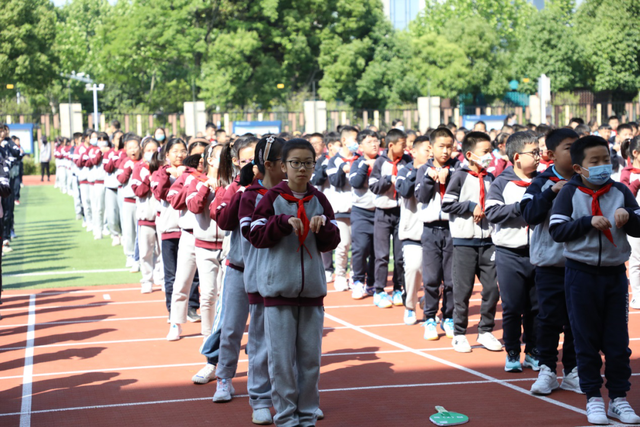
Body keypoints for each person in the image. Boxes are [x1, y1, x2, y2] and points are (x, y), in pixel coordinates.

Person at [549, 135, 640, 425]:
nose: (603, 166)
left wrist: (630, 217)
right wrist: (586, 222)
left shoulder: (621, 190)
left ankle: (618, 399)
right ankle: (592, 398)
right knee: (584, 339)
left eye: (606, 159)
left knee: (617, 342)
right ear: (579, 168)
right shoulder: (569, 193)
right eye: (595, 162)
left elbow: (639, 227)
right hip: (581, 275)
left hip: (614, 276)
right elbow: (557, 230)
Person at [249, 138, 340, 427]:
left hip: (312, 292)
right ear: (283, 166)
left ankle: (308, 415)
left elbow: (332, 239)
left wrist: (323, 227)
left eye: (308, 163)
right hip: (279, 292)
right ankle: (287, 418)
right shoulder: (272, 198)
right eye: (295, 163)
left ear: (315, 165)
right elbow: (255, 234)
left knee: (310, 361)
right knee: (281, 362)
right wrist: (281, 223)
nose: (302, 169)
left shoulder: (319, 199)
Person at [521, 128, 581, 396]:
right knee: (548, 319)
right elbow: (529, 215)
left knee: (577, 320)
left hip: (582, 263)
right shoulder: (541, 182)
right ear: (550, 154)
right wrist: (550, 193)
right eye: (569, 147)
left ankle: (572, 371)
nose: (575, 151)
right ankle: (546, 369)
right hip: (550, 265)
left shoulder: (587, 180)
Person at [442, 131, 501, 353]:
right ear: (470, 154)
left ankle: (485, 331)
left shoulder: (491, 177)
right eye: (485, 152)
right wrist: (469, 206)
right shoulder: (459, 176)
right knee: (463, 291)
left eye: (491, 151)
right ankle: (459, 333)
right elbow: (447, 205)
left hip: (488, 242)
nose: (490, 155)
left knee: (492, 290)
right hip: (464, 242)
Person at [485, 131, 540, 372]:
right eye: (533, 153)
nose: (539, 157)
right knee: (512, 306)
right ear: (517, 157)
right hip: (509, 254)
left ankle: (533, 351)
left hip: (538, 253)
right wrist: (521, 207)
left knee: (536, 307)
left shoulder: (542, 180)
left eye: (539, 152)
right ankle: (512, 352)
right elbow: (493, 212)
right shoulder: (501, 182)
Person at [415, 128, 459, 339]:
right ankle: (429, 318)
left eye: (449, 146)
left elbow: (460, 193)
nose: (445, 151)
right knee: (431, 278)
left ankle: (448, 317)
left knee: (451, 280)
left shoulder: (458, 168)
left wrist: (448, 176)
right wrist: (429, 179)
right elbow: (421, 197)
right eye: (441, 146)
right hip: (431, 230)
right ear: (430, 148)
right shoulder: (423, 169)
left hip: (452, 229)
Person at [165, 139, 209, 340]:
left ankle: (211, 326)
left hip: (210, 236)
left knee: (211, 287)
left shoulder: (217, 176)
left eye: (204, 155)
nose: (200, 161)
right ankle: (175, 322)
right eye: (196, 156)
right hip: (189, 235)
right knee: (182, 280)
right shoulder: (185, 177)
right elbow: (173, 200)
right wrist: (190, 181)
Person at [185, 143, 225, 337]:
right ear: (209, 160)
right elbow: (193, 206)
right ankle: (208, 336)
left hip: (228, 246)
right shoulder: (196, 181)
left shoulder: (232, 182)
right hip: (204, 246)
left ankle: (223, 334)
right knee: (208, 294)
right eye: (221, 156)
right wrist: (205, 187)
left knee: (227, 296)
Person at [369, 128, 411, 308]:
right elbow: (373, 186)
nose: (406, 147)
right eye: (403, 144)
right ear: (392, 145)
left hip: (402, 213)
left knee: (400, 255)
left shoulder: (407, 161)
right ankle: (379, 290)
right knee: (382, 255)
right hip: (383, 213)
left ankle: (397, 288)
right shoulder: (380, 162)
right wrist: (388, 180)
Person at [395, 135, 430, 325]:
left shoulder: (442, 169)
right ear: (414, 152)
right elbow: (404, 190)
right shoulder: (405, 170)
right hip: (412, 232)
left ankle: (429, 303)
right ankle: (410, 305)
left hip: (436, 231)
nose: (431, 153)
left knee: (437, 276)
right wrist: (419, 171)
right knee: (413, 268)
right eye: (427, 149)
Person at [326, 126, 359, 291]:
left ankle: (355, 275)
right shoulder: (333, 160)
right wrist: (341, 169)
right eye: (354, 139)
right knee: (343, 244)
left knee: (359, 246)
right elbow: (335, 182)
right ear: (344, 140)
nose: (356, 143)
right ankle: (340, 275)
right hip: (341, 209)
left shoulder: (359, 158)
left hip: (359, 210)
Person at [349, 129, 380, 299]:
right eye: (369, 142)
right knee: (360, 248)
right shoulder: (357, 162)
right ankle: (358, 281)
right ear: (360, 146)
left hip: (381, 213)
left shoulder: (383, 162)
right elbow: (355, 182)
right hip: (361, 212)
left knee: (378, 251)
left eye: (376, 141)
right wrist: (365, 165)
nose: (374, 144)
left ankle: (373, 283)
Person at [131, 137, 164, 294]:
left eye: (154, 150)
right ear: (143, 151)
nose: (151, 153)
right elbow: (138, 191)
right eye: (148, 150)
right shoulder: (139, 168)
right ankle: (147, 279)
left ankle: (161, 277)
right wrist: (148, 179)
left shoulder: (162, 167)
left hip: (161, 216)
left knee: (162, 250)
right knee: (145, 251)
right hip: (145, 216)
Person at [621, 135, 640, 309]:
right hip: (636, 221)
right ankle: (637, 294)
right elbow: (625, 196)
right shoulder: (627, 173)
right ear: (636, 153)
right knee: (636, 260)